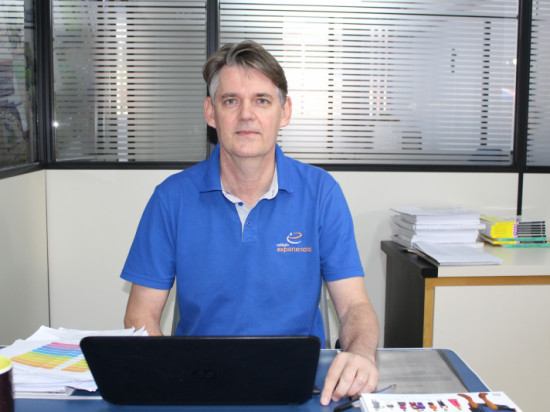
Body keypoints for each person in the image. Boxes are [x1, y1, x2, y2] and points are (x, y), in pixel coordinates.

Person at [121, 40, 379, 406]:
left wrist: (361, 354)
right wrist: (172, 379)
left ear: (284, 112)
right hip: (199, 387)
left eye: (261, 100)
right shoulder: (171, 198)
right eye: (231, 101)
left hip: (301, 388)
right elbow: (140, 315)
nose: (246, 115)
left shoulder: (322, 192)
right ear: (210, 112)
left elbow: (354, 306)